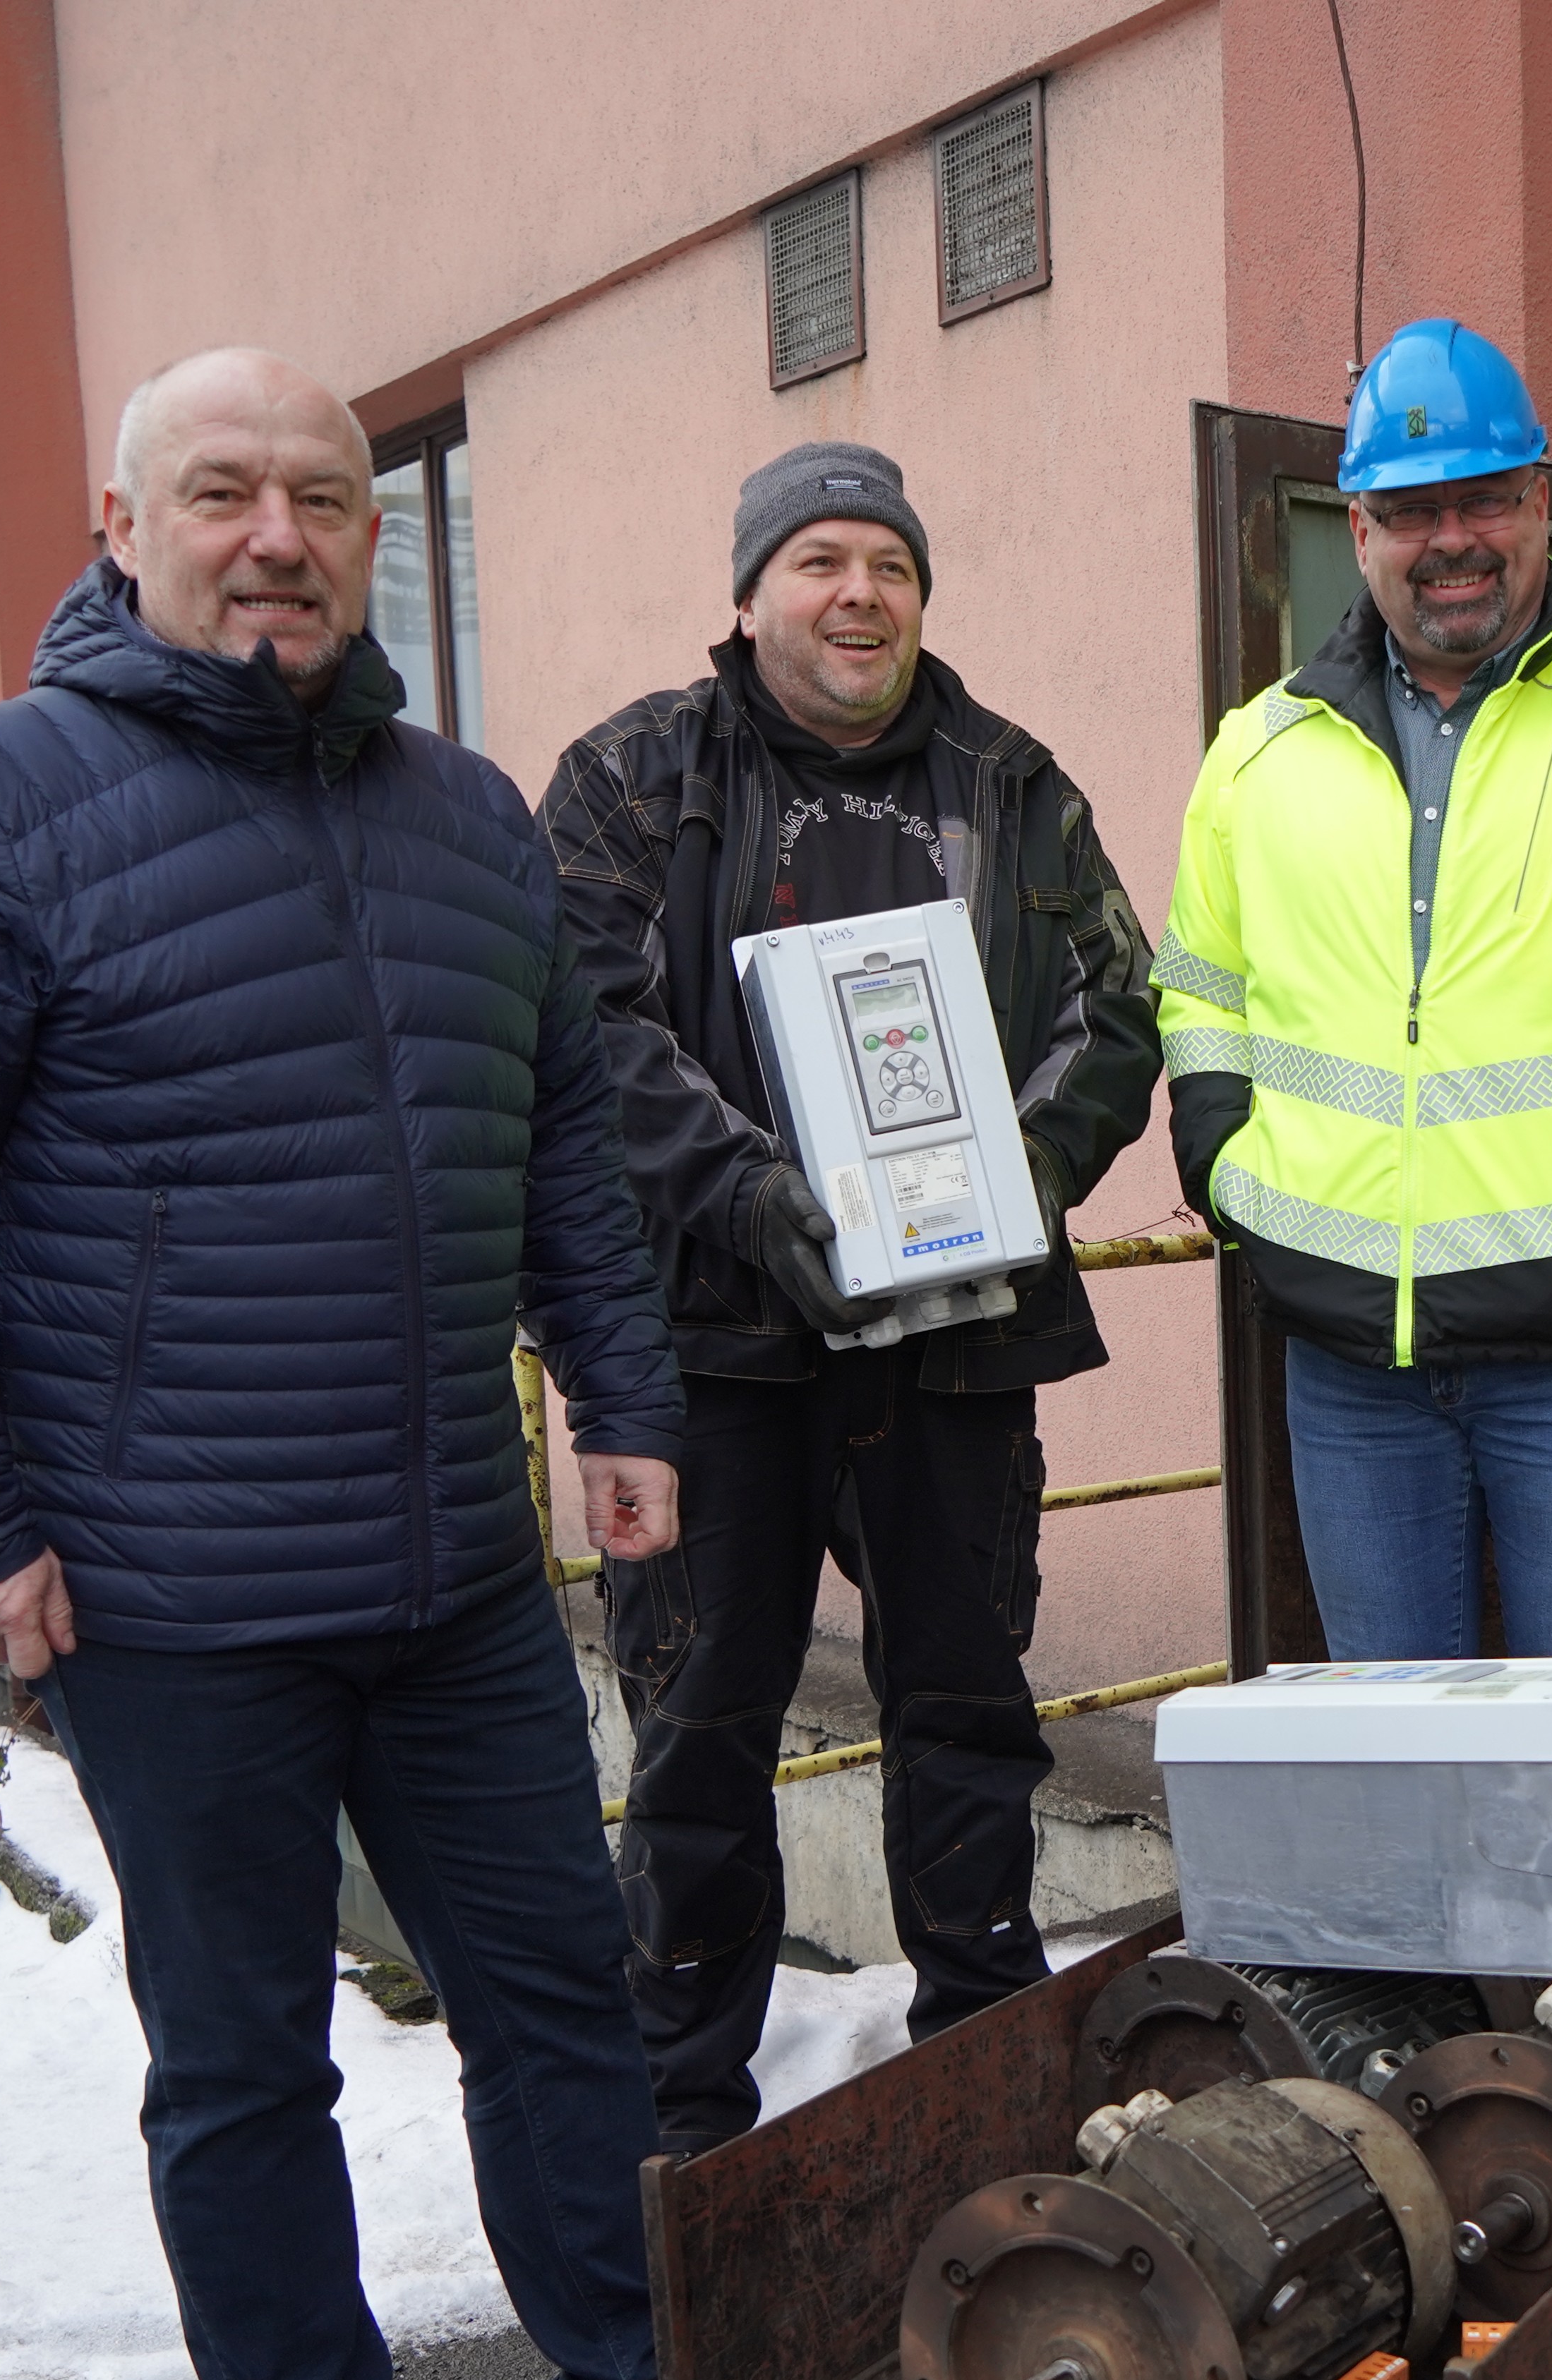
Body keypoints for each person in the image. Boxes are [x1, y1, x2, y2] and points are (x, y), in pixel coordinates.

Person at [0, 349, 685, 2380]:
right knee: (248, 2055)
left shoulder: (471, 819)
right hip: (171, 1594)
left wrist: (621, 1395)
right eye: (224, 491)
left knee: (568, 1997)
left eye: (327, 497)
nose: (278, 531)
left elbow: (561, 1145)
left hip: (459, 1573)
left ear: (376, 540)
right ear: (121, 520)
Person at [546, 444, 1160, 2156]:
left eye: (887, 563)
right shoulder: (625, 779)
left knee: (968, 1725)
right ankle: (681, 2135)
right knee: (697, 1749)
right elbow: (585, 1031)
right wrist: (749, 1197)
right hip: (713, 1354)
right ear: (747, 594)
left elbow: (1114, 1014)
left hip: (954, 1352)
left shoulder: (1011, 783)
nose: (857, 593)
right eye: (816, 559)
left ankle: (986, 2089)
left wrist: (1006, 1188)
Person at [1159, 319, 1552, 1662]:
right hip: (1349, 1360)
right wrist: (1228, 1167)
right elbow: (1202, 989)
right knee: (1392, 1758)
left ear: (1540, 501)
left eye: (1482, 500)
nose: (1450, 538)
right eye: (1411, 511)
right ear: (1358, 526)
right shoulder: (1256, 753)